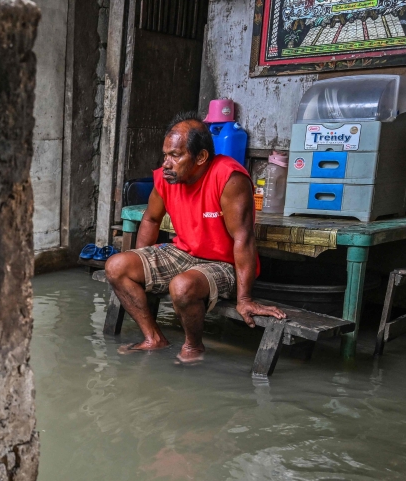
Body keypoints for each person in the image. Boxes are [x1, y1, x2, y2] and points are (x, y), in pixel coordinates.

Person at [104, 112, 285, 363]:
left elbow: (243, 238)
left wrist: (245, 299)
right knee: (116, 266)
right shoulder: (167, 177)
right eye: (166, 154)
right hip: (183, 252)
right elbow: (151, 219)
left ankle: (193, 347)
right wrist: (139, 259)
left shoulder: (229, 178)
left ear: (201, 157)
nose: (167, 163)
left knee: (182, 286)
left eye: (176, 155)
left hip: (225, 263)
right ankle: (153, 338)